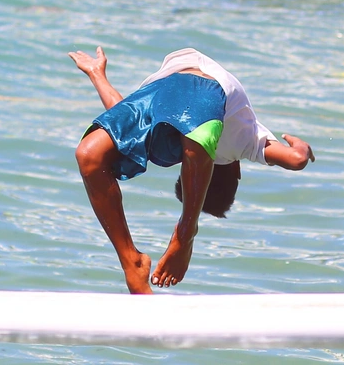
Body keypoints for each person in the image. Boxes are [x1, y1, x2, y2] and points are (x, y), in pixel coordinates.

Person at [69, 47, 315, 294]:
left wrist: (97, 74)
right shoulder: (244, 142)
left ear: (238, 172)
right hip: (208, 88)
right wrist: (185, 236)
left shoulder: (241, 145)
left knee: (89, 155)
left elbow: (297, 159)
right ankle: (185, 231)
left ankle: (131, 261)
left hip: (163, 87)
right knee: (194, 138)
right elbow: (296, 159)